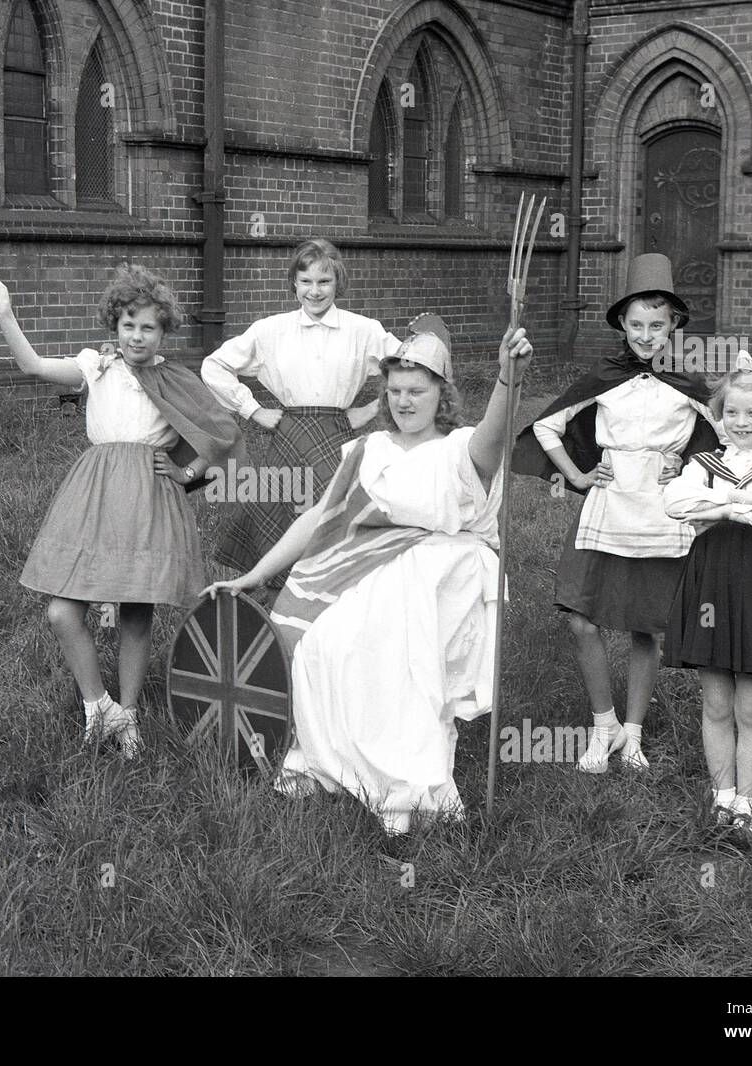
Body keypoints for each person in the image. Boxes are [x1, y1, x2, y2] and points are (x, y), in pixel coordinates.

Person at [204, 318, 534, 835]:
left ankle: (402, 786)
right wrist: (255, 574)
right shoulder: (368, 450)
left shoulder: (460, 448)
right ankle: (333, 765)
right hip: (370, 570)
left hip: (442, 577)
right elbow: (318, 515)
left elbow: (494, 438)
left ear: (441, 394)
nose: (404, 401)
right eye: (396, 391)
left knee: (390, 656)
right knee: (321, 646)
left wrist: (507, 381)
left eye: (417, 391)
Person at [0, 263, 242, 757]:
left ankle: (130, 715)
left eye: (148, 327)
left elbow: (219, 432)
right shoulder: (95, 367)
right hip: (95, 493)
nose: (137, 335)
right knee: (61, 611)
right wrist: (4, 312)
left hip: (148, 496)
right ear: (114, 326)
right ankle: (99, 707)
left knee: (136, 611)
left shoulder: (173, 378)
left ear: (164, 331)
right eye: (128, 324)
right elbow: (32, 366)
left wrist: (186, 474)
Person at [511, 253, 724, 772]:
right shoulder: (604, 377)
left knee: (646, 628)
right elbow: (545, 428)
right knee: (582, 618)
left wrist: (693, 474)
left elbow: (728, 445)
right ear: (622, 326)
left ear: (674, 324)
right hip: (608, 509)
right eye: (636, 325)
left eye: (657, 324)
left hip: (661, 515)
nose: (647, 336)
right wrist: (579, 476)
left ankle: (632, 734)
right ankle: (601, 723)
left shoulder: (690, 384)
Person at [201, 238, 403, 594]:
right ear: (293, 283)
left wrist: (374, 408)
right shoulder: (270, 330)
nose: (315, 291)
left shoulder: (364, 329)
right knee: (283, 514)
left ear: (338, 282)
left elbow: (407, 364)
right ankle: (280, 602)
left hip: (337, 436)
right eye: (306, 281)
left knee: (334, 517)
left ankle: (336, 597)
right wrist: (253, 410)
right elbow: (214, 365)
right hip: (290, 435)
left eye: (324, 281)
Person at [662, 353, 752, 847]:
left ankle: (748, 806)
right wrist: (743, 503)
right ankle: (721, 797)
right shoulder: (702, 464)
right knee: (716, 699)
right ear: (719, 415)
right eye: (732, 413)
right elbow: (676, 504)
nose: (741, 423)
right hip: (710, 581)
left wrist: (723, 509)